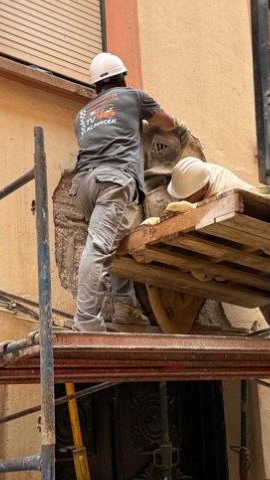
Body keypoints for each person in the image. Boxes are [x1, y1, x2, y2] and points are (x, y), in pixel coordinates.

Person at [71, 52, 186, 332]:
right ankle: (86, 323)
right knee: (99, 246)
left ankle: (125, 304)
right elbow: (167, 122)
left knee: (116, 241)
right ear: (122, 77)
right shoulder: (133, 97)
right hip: (114, 181)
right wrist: (165, 128)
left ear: (96, 86)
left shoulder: (82, 115)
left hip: (84, 186)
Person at [166, 157, 270, 339]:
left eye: (186, 197)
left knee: (266, 282)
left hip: (256, 230)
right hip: (234, 230)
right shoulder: (195, 176)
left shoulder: (223, 191)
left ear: (203, 188)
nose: (182, 199)